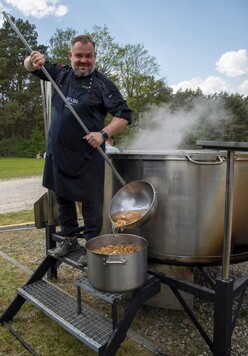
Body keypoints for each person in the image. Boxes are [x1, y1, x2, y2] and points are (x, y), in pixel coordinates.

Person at [24, 35, 132, 262]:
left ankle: (91, 247)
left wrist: (103, 134)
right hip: (58, 152)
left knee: (91, 203)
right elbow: (29, 68)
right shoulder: (60, 73)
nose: (83, 61)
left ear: (95, 57)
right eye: (79, 56)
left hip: (87, 155)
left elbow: (124, 115)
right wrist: (32, 59)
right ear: (70, 56)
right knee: (63, 198)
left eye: (88, 56)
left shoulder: (104, 85)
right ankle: (69, 240)